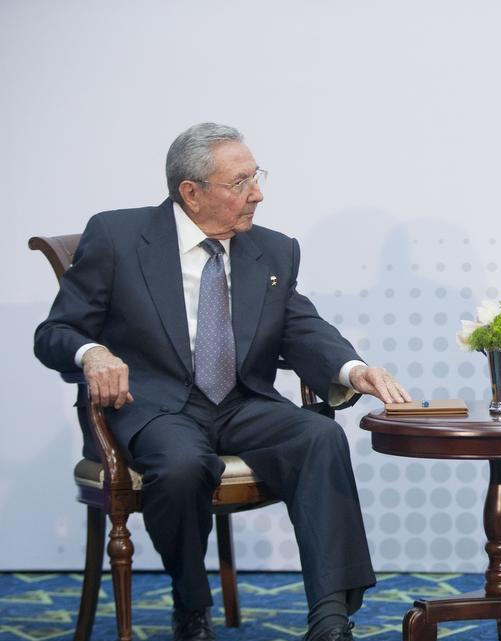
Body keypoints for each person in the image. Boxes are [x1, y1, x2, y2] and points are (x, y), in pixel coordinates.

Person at [34, 123, 412, 641]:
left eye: (256, 177)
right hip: (155, 407)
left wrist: (352, 370)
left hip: (240, 402)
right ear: (191, 193)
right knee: (184, 465)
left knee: (320, 436)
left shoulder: (273, 250)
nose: (257, 193)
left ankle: (329, 619)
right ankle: (190, 599)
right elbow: (55, 332)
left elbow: (301, 328)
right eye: (240, 182)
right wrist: (92, 351)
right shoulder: (120, 237)